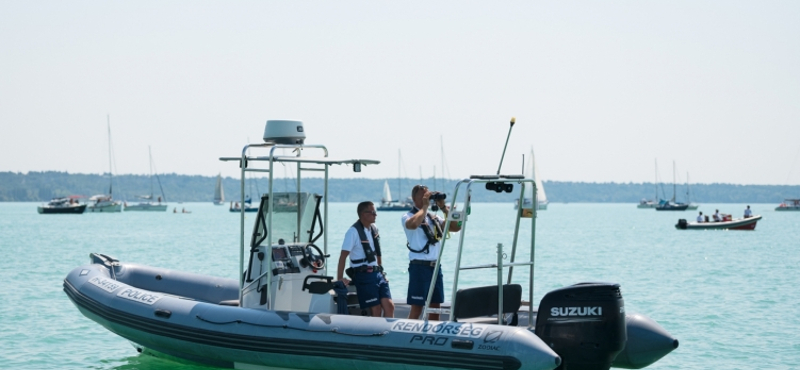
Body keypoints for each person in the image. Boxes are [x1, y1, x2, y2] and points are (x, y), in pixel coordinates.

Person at [402, 184, 462, 320]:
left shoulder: (433, 218)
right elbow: (413, 225)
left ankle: (432, 334)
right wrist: (424, 206)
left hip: (435, 267)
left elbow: (455, 227)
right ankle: (408, 334)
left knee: (435, 307)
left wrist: (443, 208)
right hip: (419, 267)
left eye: (429, 195)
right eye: (424, 196)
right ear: (414, 198)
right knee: (417, 307)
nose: (427, 198)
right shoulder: (407, 216)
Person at [336, 201, 394, 317]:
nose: (375, 215)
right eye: (372, 212)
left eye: (375, 212)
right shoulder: (353, 232)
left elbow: (377, 252)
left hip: (377, 274)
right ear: (363, 214)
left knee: (389, 306)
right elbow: (343, 257)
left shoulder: (374, 229)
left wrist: (381, 271)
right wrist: (340, 278)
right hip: (363, 275)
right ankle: (376, 332)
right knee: (376, 309)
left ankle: (388, 333)